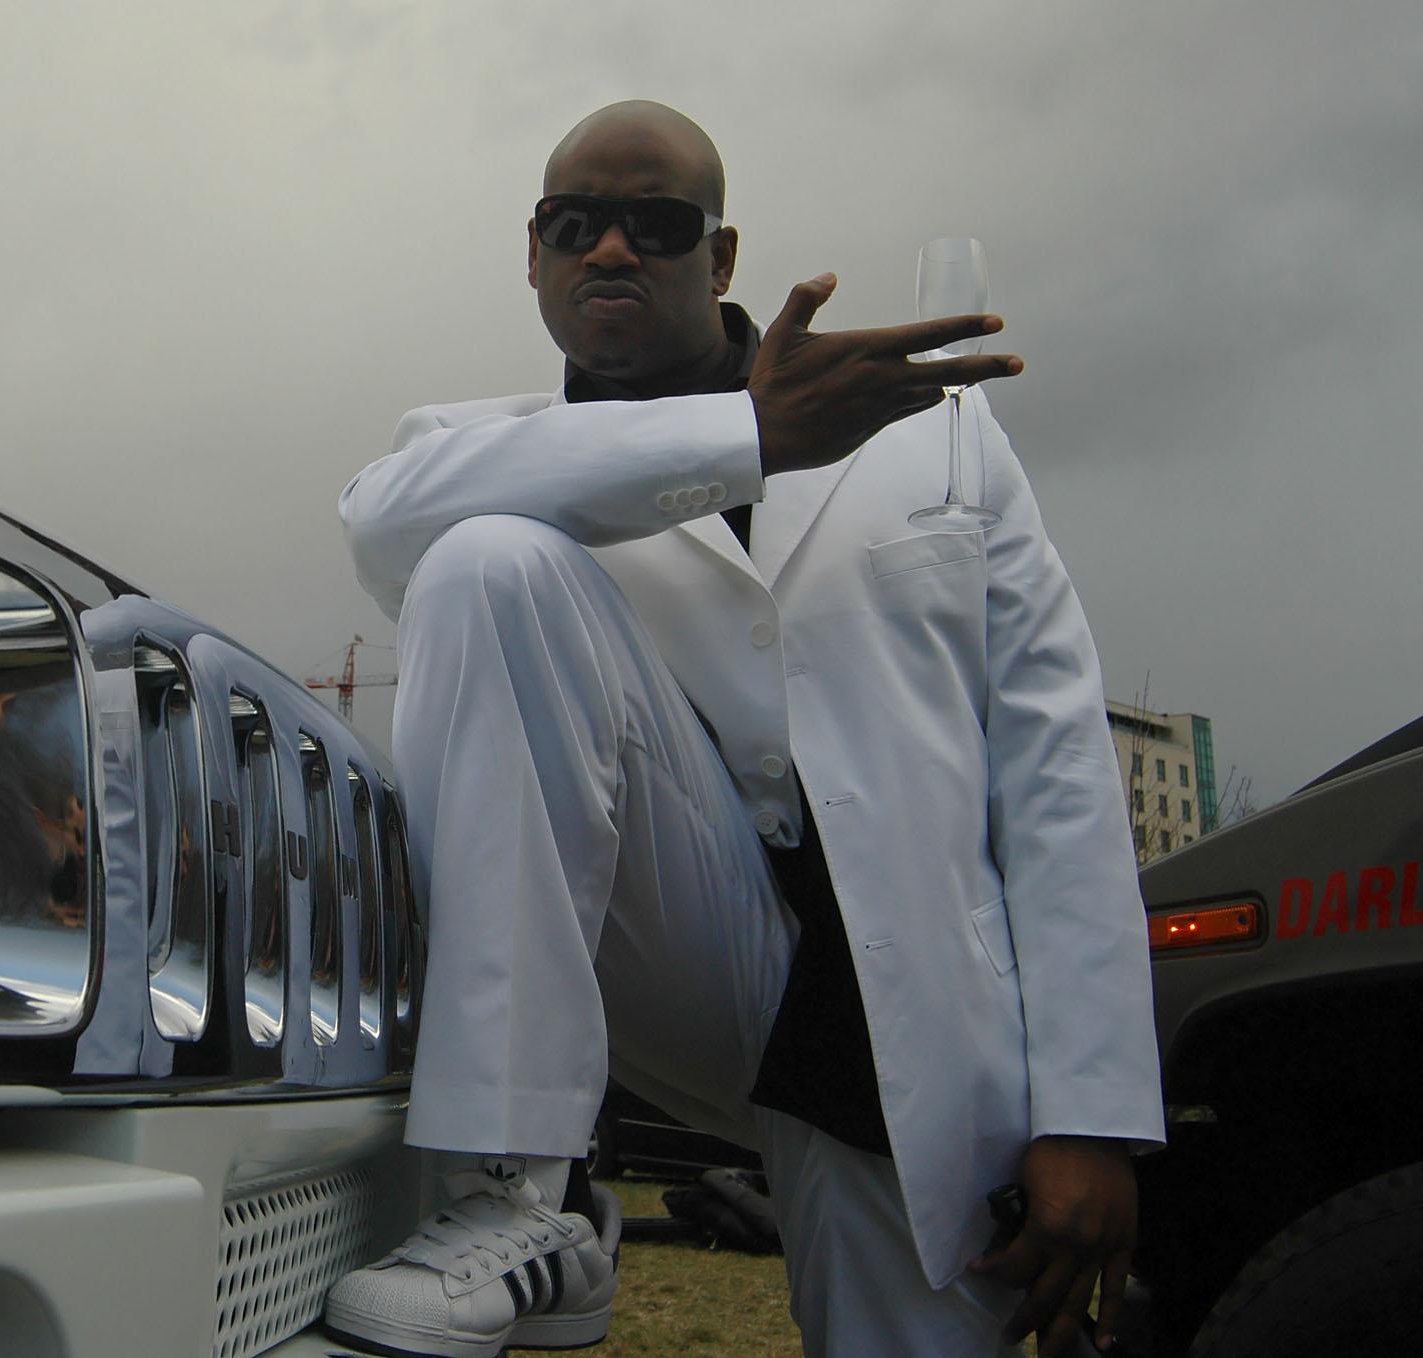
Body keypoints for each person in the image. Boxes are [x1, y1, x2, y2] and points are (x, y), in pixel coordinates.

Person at [323, 100, 1161, 1358]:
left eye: (655, 223)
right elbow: (383, 526)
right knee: (488, 559)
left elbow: (1053, 768)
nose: (611, 248)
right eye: (573, 223)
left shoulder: (933, 433)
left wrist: (1090, 1109)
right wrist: (747, 437)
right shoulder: (474, 449)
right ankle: (511, 1194)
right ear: (533, 253)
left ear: (718, 258)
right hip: (679, 943)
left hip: (907, 1007)